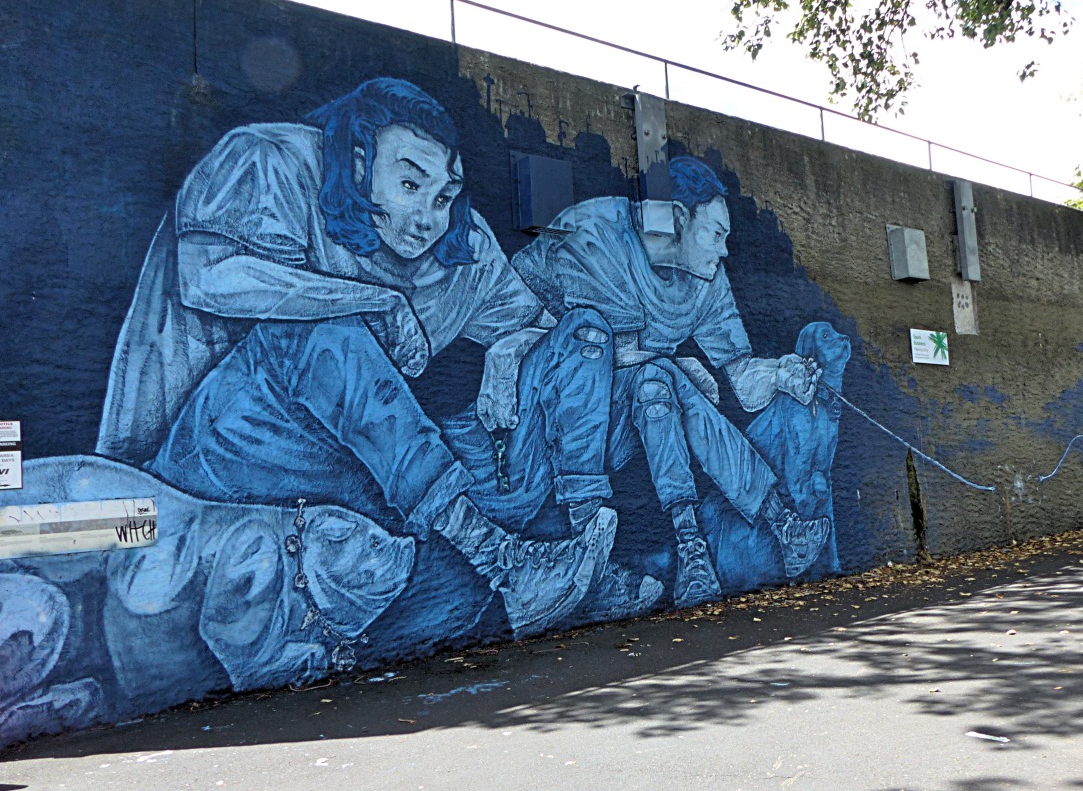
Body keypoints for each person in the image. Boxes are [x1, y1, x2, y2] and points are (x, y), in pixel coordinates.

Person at [97, 78, 615, 639]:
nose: (427, 217)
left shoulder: (461, 245)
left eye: (443, 196)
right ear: (360, 161)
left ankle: (586, 563)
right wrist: (374, 301)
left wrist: (505, 356)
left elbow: (538, 330)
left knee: (586, 336)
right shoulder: (272, 158)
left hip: (357, 484)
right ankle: (503, 562)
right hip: (209, 471)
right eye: (410, 184)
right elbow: (208, 279)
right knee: (327, 328)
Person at [511, 157, 832, 606]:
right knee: (652, 369)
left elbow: (741, 379)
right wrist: (681, 366)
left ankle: (694, 551)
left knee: (655, 383)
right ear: (678, 217)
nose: (725, 251)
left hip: (612, 426)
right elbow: (595, 349)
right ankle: (775, 522)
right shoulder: (599, 232)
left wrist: (780, 374)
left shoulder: (705, 280)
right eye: (715, 234)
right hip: (535, 419)